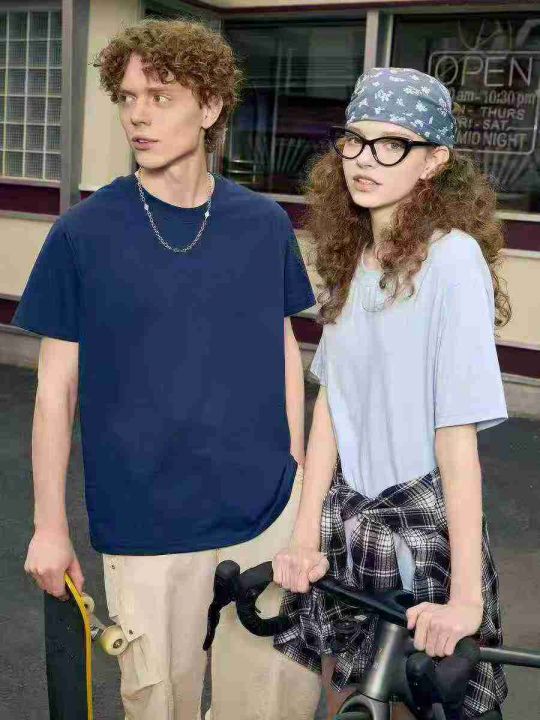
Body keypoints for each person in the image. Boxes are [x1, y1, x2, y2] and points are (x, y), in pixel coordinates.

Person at [13, 18, 322, 720]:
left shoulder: (263, 224)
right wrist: (49, 525)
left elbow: (283, 349)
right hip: (145, 521)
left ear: (210, 107)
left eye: (160, 96)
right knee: (160, 705)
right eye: (127, 98)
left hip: (265, 510)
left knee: (270, 707)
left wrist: (299, 474)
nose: (137, 116)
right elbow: (55, 389)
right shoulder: (82, 234)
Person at [272, 67, 511, 720]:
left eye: (392, 144)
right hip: (351, 524)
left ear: (434, 161)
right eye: (355, 140)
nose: (364, 159)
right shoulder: (353, 258)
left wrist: (466, 599)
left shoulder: (452, 260)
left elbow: (456, 434)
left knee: (430, 706)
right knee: (349, 698)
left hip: (422, 534)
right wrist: (304, 537)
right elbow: (332, 407)